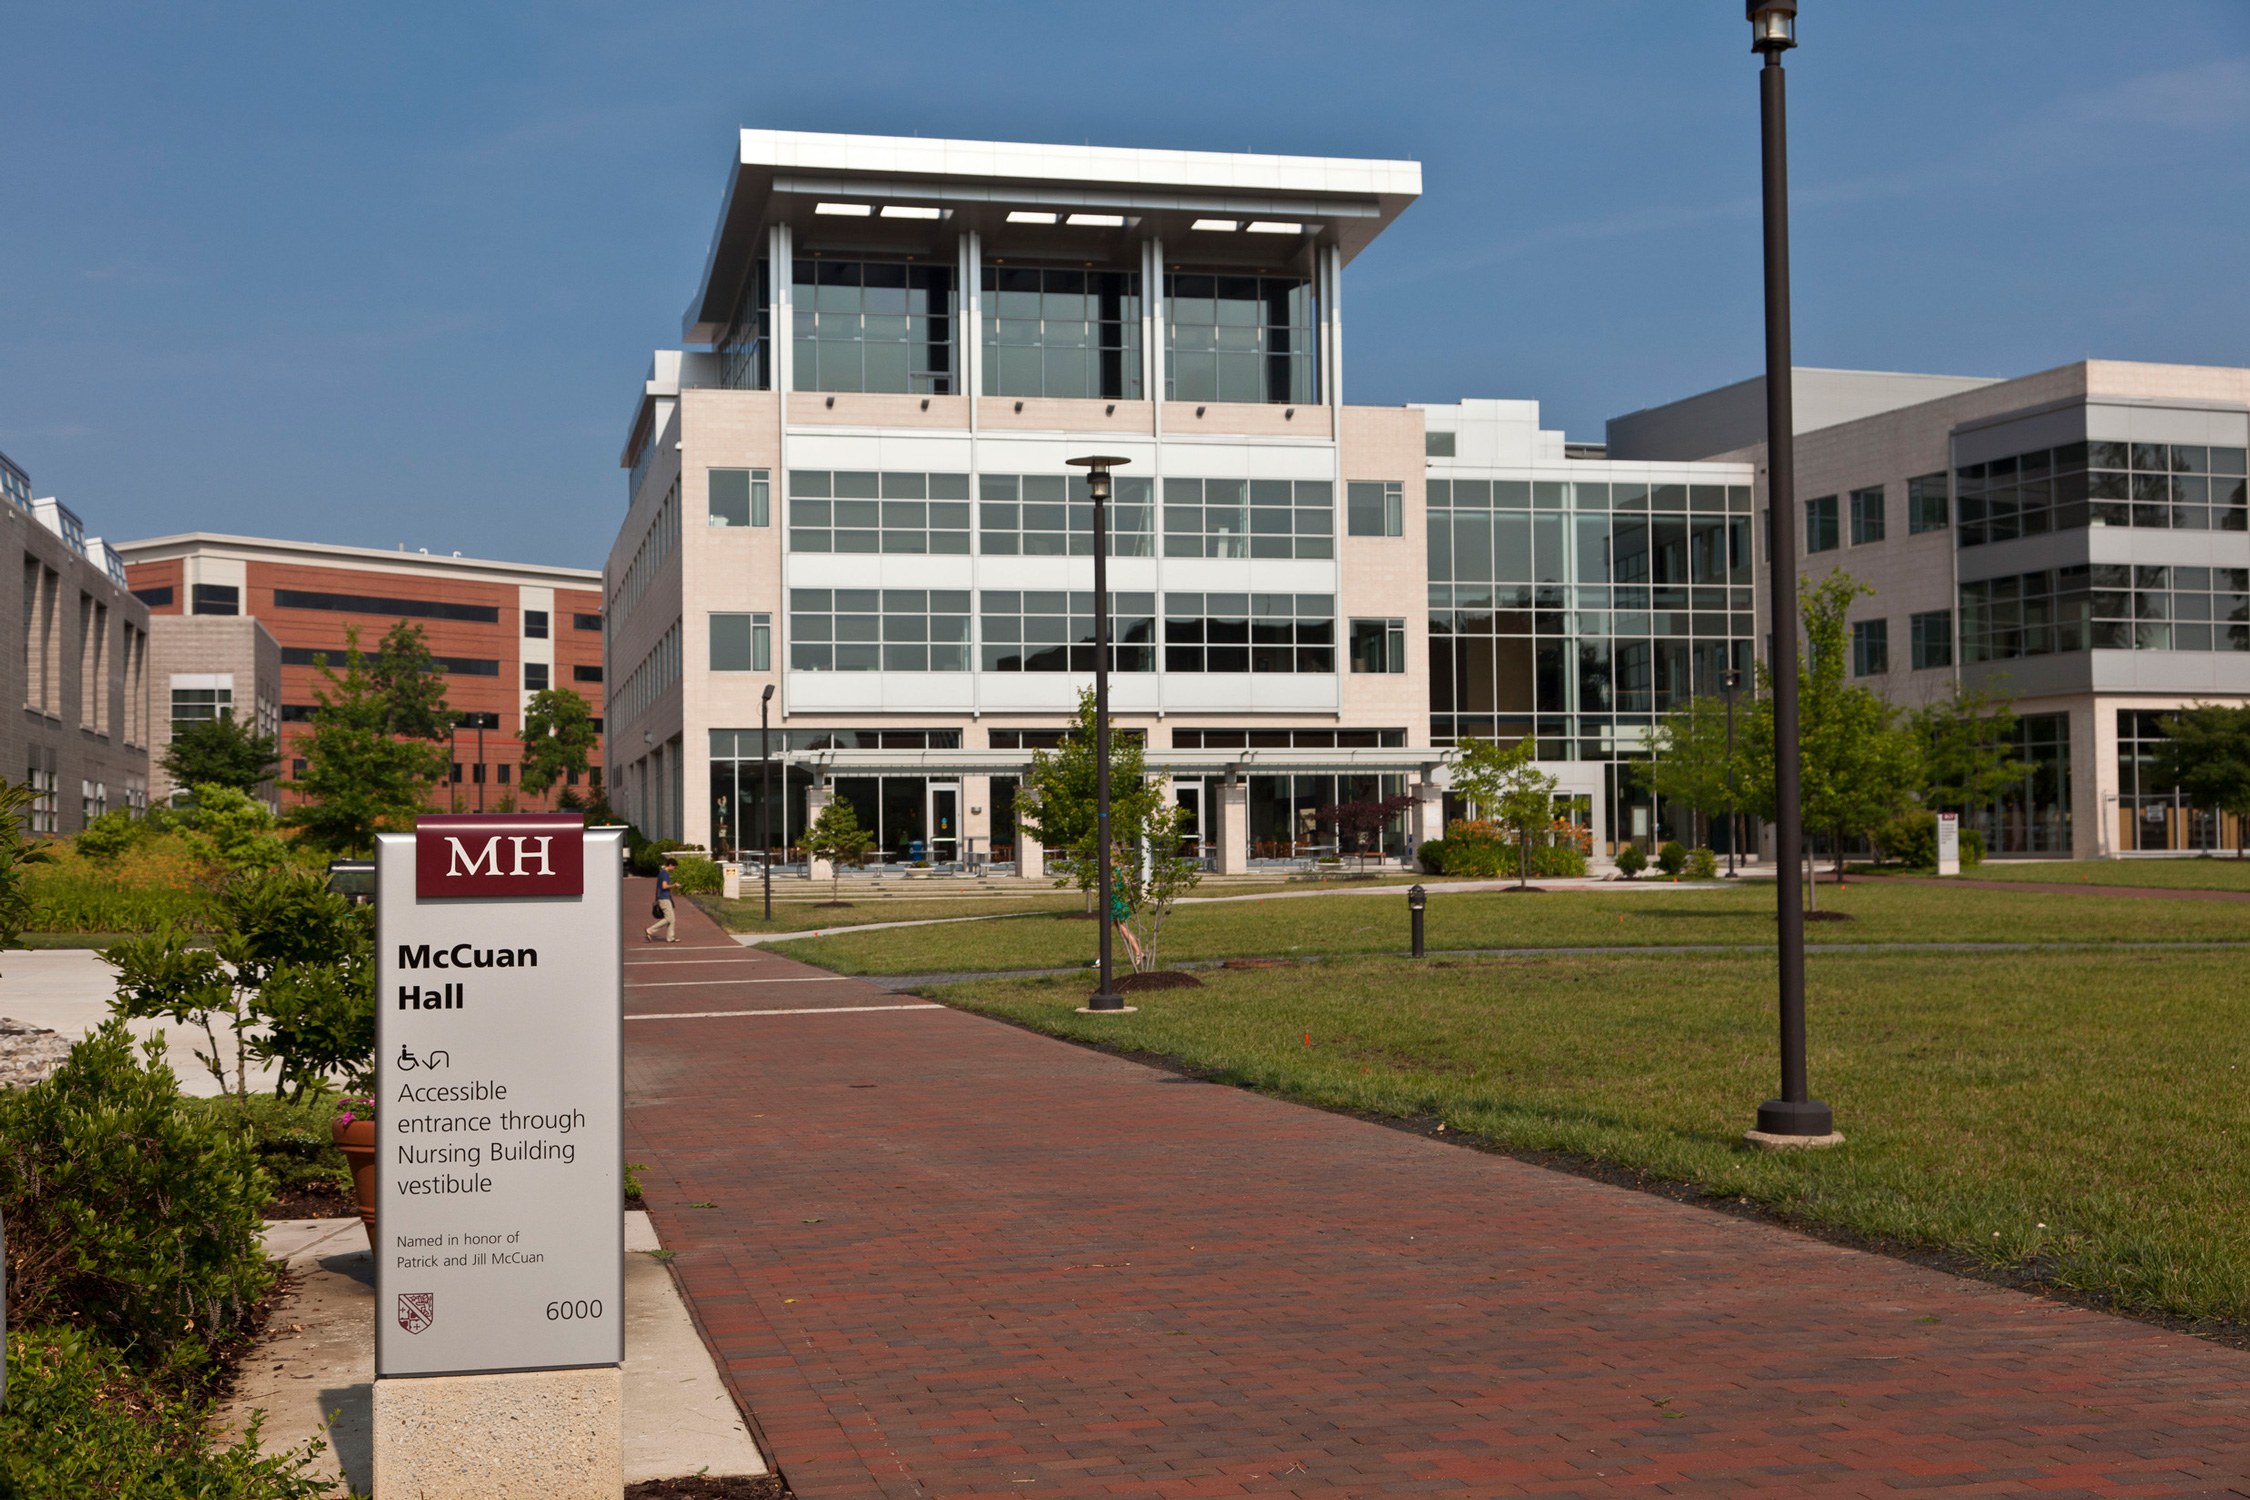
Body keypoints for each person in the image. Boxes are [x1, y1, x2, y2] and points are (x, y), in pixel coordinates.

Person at [644, 856, 678, 943]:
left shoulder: (662, 872)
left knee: (672, 919)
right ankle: (650, 930)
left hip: (664, 898)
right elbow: (664, 886)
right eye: (674, 867)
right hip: (664, 898)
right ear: (670, 865)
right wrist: (674, 885)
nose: (674, 869)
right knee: (669, 918)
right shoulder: (665, 873)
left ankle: (670, 937)